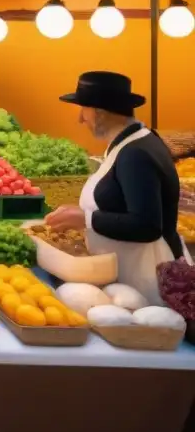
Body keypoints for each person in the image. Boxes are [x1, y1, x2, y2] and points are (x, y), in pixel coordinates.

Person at [46, 72, 192, 301]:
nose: (80, 119)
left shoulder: (136, 154)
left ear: (100, 113)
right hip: (127, 275)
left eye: (83, 109)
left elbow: (147, 225)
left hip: (144, 281)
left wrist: (86, 219)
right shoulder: (132, 141)